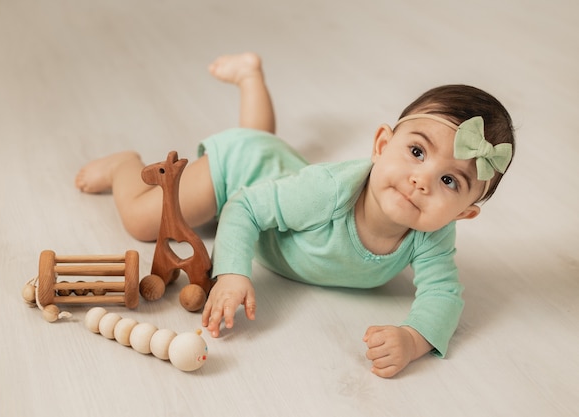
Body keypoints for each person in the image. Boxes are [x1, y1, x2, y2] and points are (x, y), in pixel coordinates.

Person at [75, 53, 515, 378]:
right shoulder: (327, 191)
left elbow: (445, 295)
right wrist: (231, 273)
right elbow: (245, 206)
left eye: (450, 182)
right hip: (240, 174)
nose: (422, 180)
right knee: (142, 221)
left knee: (268, 152)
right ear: (382, 145)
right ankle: (123, 166)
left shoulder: (433, 233)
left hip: (280, 172)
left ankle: (250, 80)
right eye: (416, 152)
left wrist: (414, 339)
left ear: (465, 213)